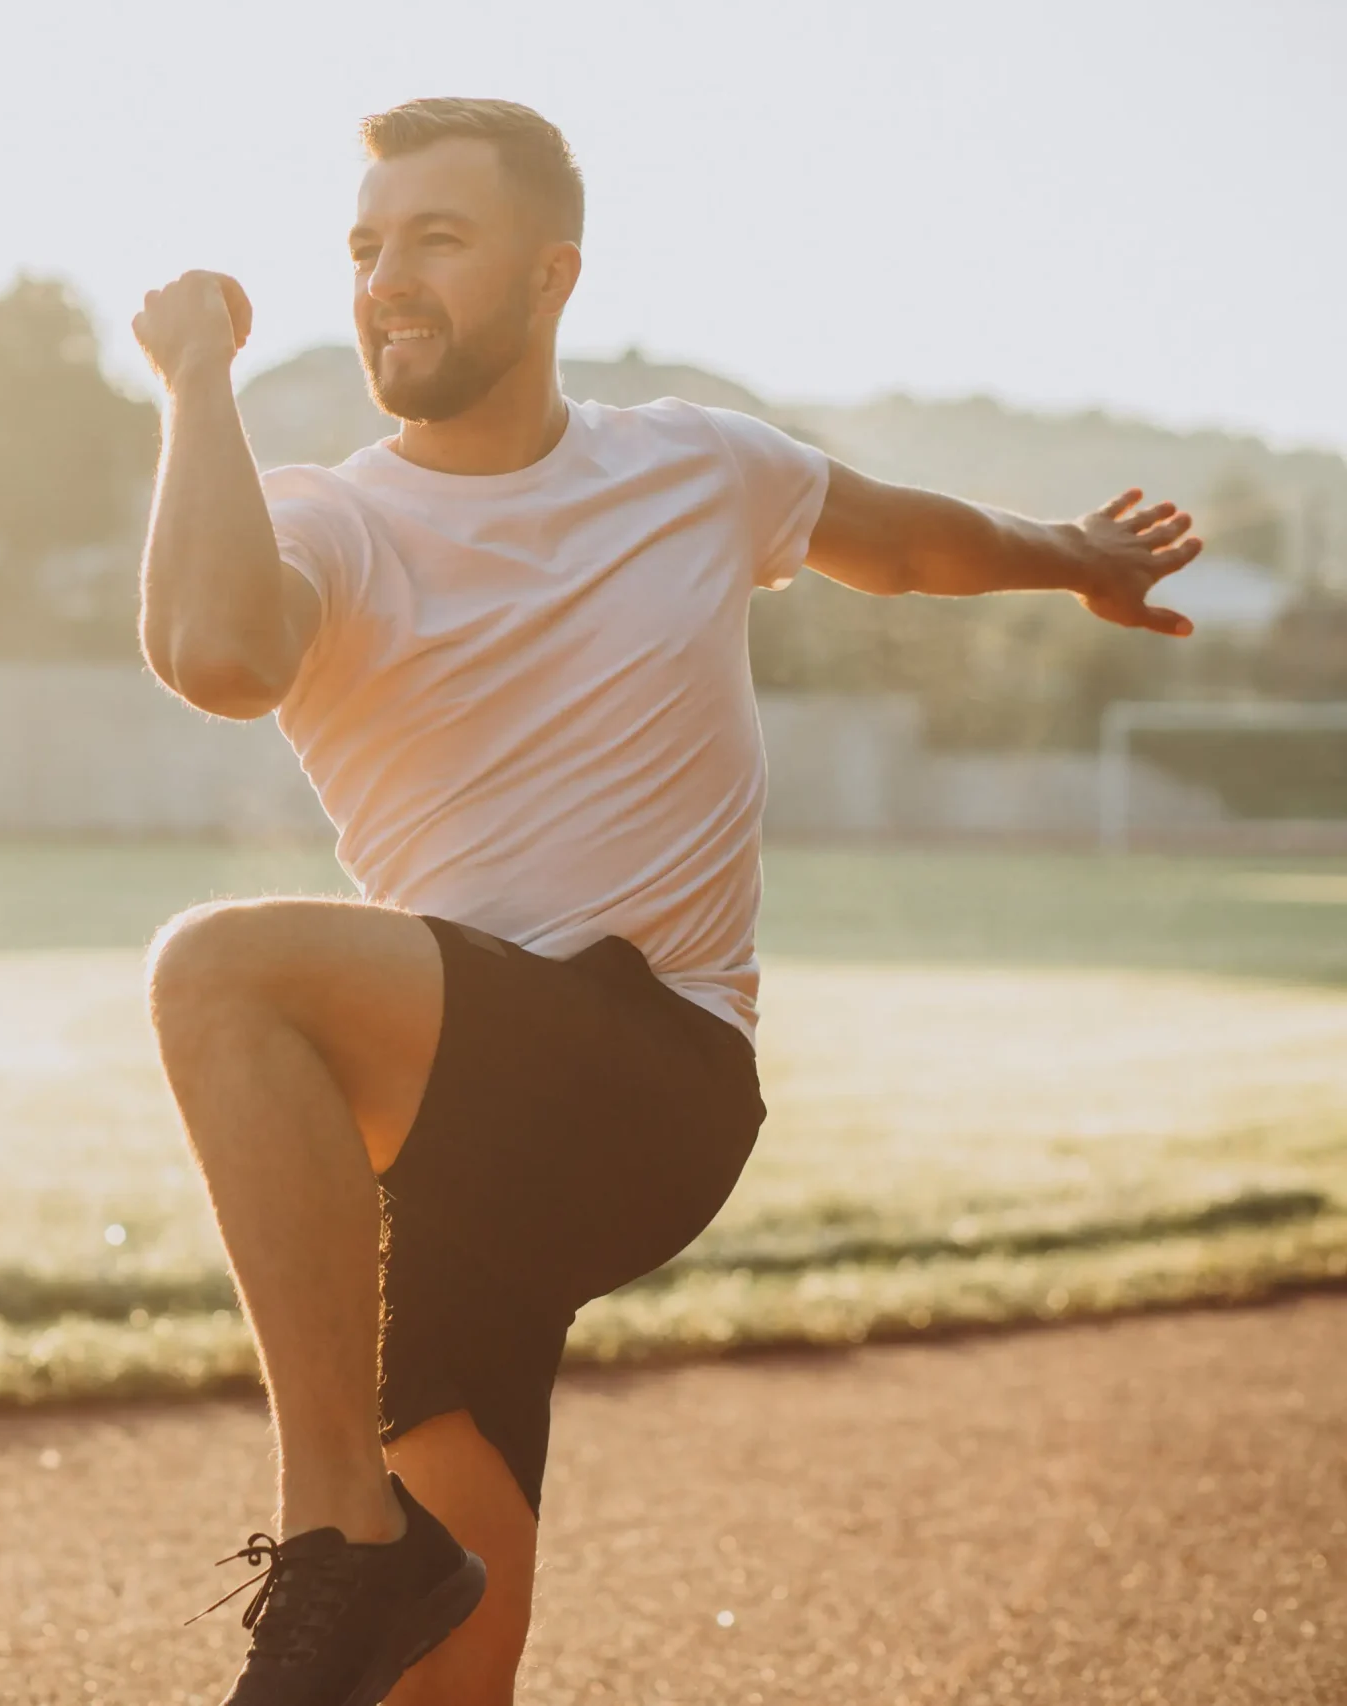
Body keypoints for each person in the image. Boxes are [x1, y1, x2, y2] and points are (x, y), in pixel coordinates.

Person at [130, 96, 1200, 1706]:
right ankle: (377, 1558)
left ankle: (338, 1531)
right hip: (462, 1144)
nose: (386, 278)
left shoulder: (696, 464)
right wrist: (197, 377)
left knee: (219, 972)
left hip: (654, 1070)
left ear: (552, 275)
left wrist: (1077, 550)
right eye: (363, 247)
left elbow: (909, 544)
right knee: (429, 1679)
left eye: (436, 237)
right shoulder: (333, 522)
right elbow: (219, 653)